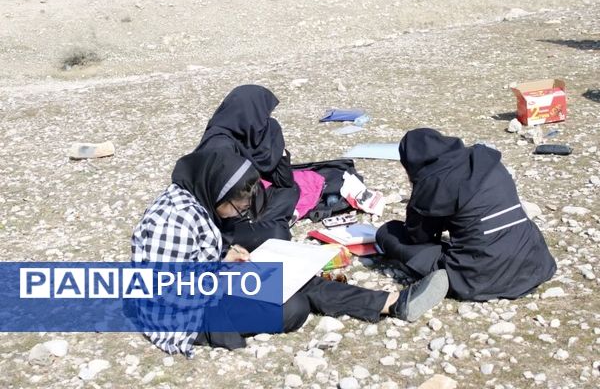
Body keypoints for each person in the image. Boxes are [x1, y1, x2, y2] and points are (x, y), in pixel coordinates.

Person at [131, 149, 449, 357]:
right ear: (217, 189)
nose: (235, 215)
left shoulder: (195, 200)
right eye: (235, 207)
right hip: (184, 318)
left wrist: (225, 259)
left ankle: (391, 304)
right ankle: (389, 305)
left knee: (295, 282)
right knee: (293, 307)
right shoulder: (175, 219)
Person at [376, 128, 557, 301]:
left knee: (388, 232)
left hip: (482, 276)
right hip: (534, 260)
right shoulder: (484, 159)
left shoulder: (431, 183)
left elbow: (418, 237)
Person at [194, 84, 298, 251]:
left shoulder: (256, 136)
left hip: (245, 207)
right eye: (263, 115)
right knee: (278, 234)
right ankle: (267, 225)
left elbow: (284, 181)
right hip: (222, 221)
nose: (266, 120)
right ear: (251, 114)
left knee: (291, 190)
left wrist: (280, 150)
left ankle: (262, 224)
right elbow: (213, 205)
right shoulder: (218, 146)